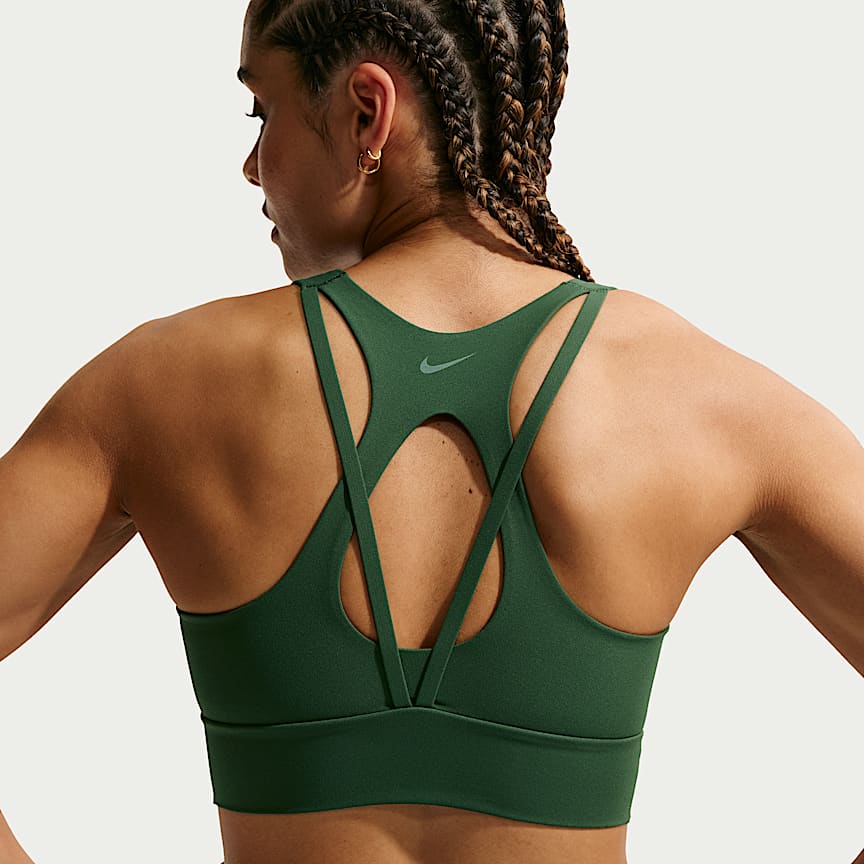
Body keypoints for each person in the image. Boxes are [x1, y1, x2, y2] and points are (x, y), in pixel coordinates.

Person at [1, 2, 862, 863]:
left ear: (367, 112)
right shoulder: (702, 398)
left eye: (262, 112)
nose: (251, 165)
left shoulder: (161, 387)